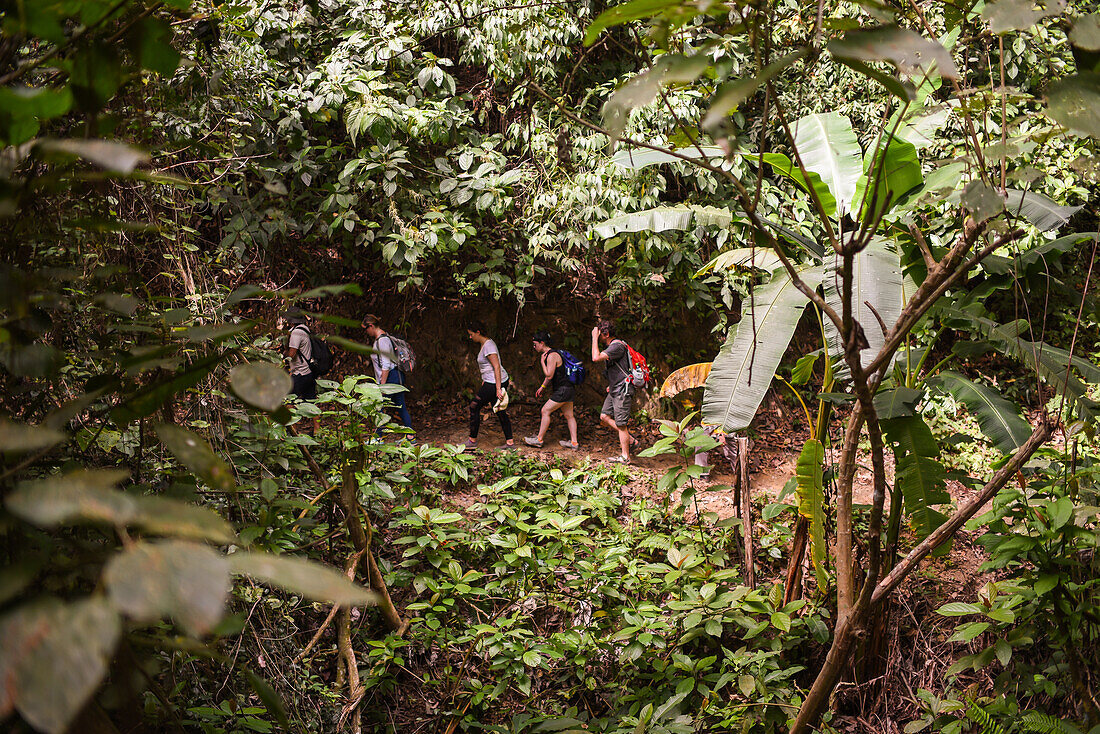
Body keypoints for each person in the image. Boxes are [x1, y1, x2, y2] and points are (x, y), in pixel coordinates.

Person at [524, 331, 579, 449]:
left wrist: (542, 363)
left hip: (563, 390)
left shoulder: (551, 356)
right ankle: (574, 443)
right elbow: (551, 376)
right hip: (568, 388)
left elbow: (549, 374)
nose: (534, 347)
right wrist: (542, 387)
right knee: (569, 415)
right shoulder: (554, 353)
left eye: (535, 344)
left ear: (542, 343)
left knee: (545, 411)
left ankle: (539, 439)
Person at [591, 319, 635, 463]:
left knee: (621, 425)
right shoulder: (614, 347)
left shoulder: (617, 346)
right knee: (604, 416)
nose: (598, 336)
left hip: (622, 390)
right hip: (615, 388)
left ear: (606, 333)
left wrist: (593, 339)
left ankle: (625, 457)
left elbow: (595, 357)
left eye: (600, 334)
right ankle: (631, 440)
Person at [466, 321, 514, 449]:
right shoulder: (485, 344)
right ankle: (510, 442)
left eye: (471, 334)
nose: (470, 337)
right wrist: (484, 379)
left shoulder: (489, 346)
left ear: (478, 332)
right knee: (498, 409)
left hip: (495, 382)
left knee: (474, 406)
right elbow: (488, 367)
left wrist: (498, 388)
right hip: (491, 381)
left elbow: (496, 366)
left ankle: (472, 441)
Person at [363, 314, 413, 431]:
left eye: (365, 329)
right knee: (400, 407)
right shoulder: (381, 339)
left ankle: (378, 437)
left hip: (391, 377)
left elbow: (386, 365)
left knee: (379, 407)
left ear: (371, 326)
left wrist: (382, 386)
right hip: (393, 377)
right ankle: (410, 436)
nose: (366, 332)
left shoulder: (383, 340)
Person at [283, 310, 319, 432]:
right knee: (311, 401)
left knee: (289, 401)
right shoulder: (305, 329)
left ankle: (293, 432)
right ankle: (318, 430)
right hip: (308, 372)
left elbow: (292, 354)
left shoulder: (296, 332)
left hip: (299, 373)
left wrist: (284, 357)